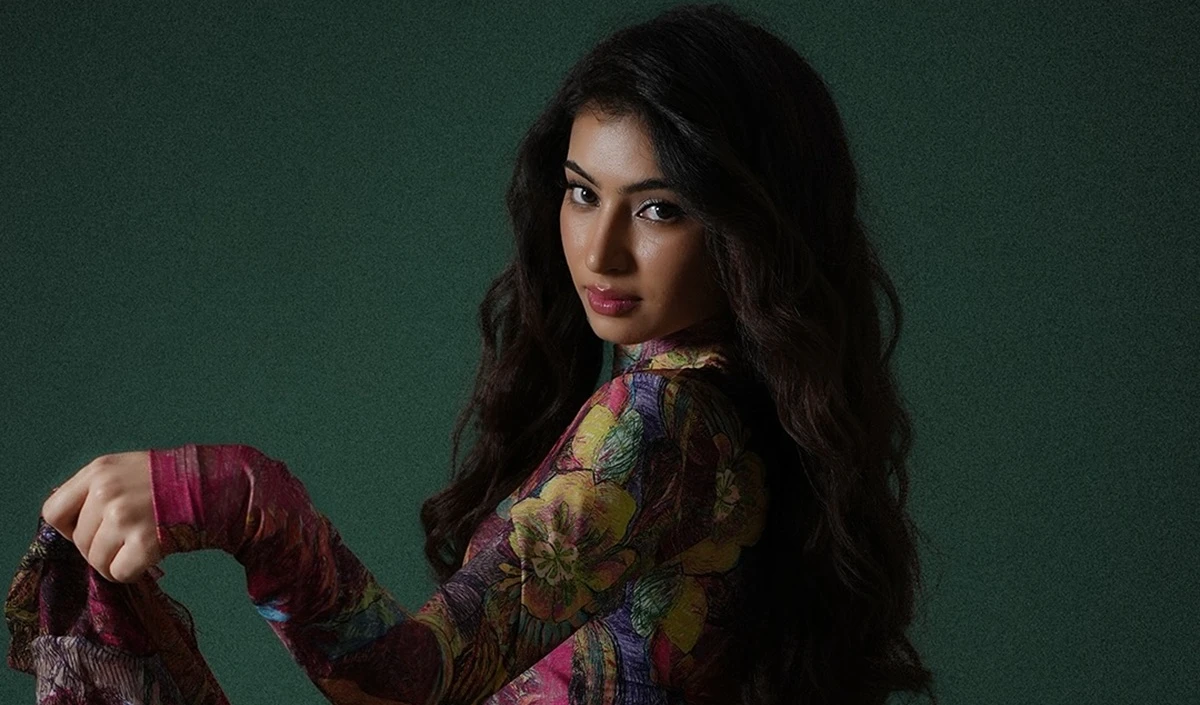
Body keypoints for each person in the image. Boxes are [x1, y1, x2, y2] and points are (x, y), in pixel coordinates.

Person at [7, 3, 938, 704]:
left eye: (659, 209)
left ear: (750, 227)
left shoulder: (658, 421)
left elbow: (410, 680)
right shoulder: (746, 422)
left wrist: (243, 499)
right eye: (582, 193)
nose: (600, 251)